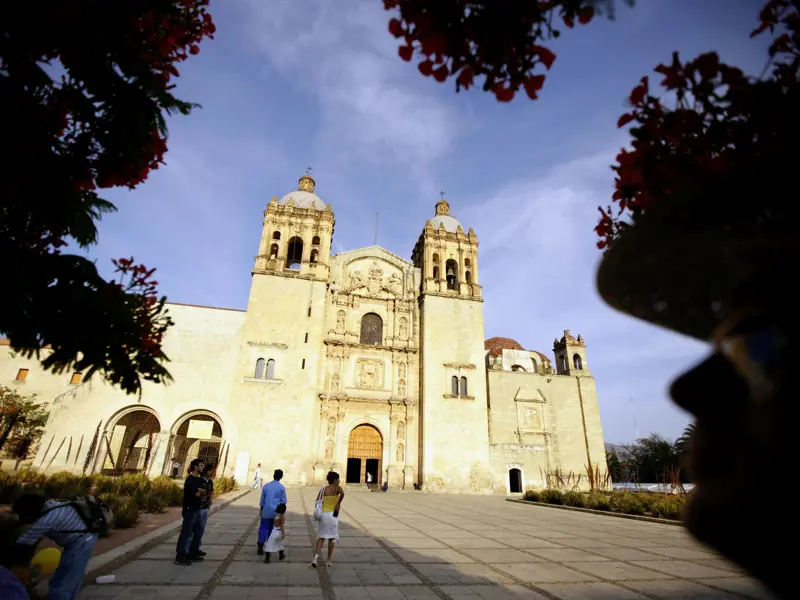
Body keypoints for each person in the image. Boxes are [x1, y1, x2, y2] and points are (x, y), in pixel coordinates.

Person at [12, 492, 98, 600]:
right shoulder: (52, 505)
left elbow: (24, 545)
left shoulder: (45, 520)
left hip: (81, 542)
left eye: (21, 515)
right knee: (73, 576)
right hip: (87, 537)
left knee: (62, 582)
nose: (21, 518)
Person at [175, 458, 207, 566]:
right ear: (195, 466)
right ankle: (180, 556)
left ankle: (192, 553)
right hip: (190, 509)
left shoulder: (198, 480)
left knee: (196, 532)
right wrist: (200, 491)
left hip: (197, 509)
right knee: (186, 533)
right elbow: (197, 494)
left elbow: (205, 491)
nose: (203, 468)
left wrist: (201, 491)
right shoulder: (190, 480)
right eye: (201, 465)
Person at [312, 471, 344, 568]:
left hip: (324, 516)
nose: (339, 481)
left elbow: (317, 501)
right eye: (338, 479)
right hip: (333, 515)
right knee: (332, 538)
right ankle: (329, 560)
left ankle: (316, 557)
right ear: (334, 480)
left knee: (321, 537)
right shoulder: (337, 488)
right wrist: (338, 502)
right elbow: (342, 493)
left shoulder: (323, 489)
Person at [257, 469, 286, 555]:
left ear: (273, 475)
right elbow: (283, 501)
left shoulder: (266, 486)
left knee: (263, 527)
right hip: (276, 513)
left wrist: (261, 509)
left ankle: (260, 543)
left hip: (266, 511)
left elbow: (262, 500)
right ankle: (269, 546)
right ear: (281, 477)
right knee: (272, 529)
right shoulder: (281, 488)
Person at [197, 462, 214, 553]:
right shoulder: (199, 481)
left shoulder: (210, 482)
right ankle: (189, 549)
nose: (212, 472)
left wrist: (210, 502)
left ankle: (198, 547)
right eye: (210, 471)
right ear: (206, 471)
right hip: (198, 507)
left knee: (201, 529)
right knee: (194, 529)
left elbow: (211, 492)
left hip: (205, 508)